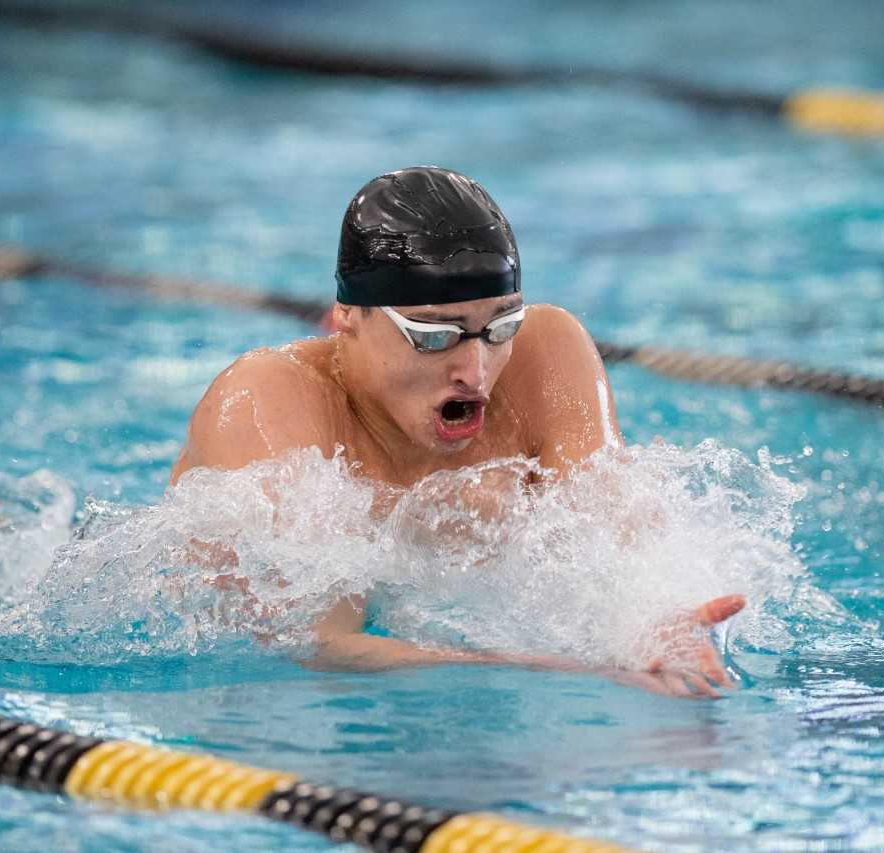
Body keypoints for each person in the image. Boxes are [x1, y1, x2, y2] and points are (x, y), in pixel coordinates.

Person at [170, 166, 744, 698]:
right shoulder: (269, 401)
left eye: (501, 327)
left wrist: (652, 620)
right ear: (348, 315)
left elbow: (615, 527)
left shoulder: (545, 353)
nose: (477, 371)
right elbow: (322, 642)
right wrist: (585, 670)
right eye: (434, 336)